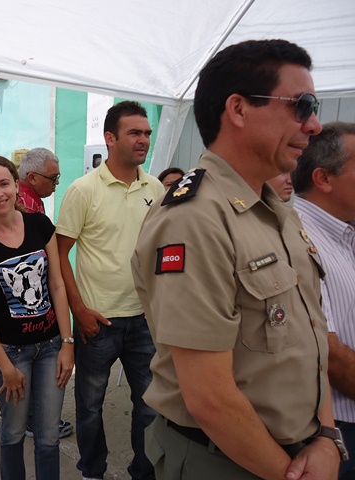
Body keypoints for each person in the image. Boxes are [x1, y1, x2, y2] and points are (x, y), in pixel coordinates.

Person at [131, 39, 344, 479]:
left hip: (297, 450)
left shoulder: (277, 211)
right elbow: (209, 398)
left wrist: (326, 437)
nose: (314, 124)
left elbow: (312, 340)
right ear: (239, 109)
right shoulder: (193, 219)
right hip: (225, 462)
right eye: (302, 105)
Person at [56, 100, 164, 480]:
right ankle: (92, 470)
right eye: (134, 132)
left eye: (147, 133)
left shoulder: (155, 187)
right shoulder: (83, 190)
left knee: (149, 406)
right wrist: (79, 310)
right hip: (97, 321)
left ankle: (143, 471)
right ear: (110, 138)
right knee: (89, 406)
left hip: (145, 320)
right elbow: (60, 253)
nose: (143, 140)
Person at [0, 154, 74, 480]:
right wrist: (6, 368)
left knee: (48, 435)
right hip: (9, 352)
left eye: (3, 184)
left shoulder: (40, 225)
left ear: (16, 185)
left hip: (51, 347)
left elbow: (57, 284)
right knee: (12, 434)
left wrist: (67, 343)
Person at [292, 121, 355, 479]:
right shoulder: (301, 238)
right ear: (324, 179)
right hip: (337, 426)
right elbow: (327, 353)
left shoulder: (345, 231)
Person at [17, 147, 61, 214]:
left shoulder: (28, 200)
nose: (57, 182)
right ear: (32, 178)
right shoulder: (27, 206)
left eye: (57, 176)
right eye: (53, 177)